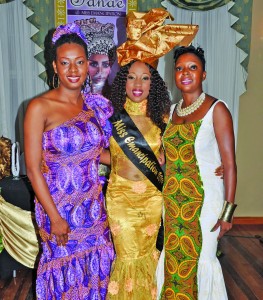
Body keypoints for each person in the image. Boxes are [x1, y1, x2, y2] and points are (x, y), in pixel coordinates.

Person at [101, 8, 199, 300]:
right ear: (123, 81)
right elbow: (101, 154)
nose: (138, 85)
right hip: (119, 197)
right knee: (127, 255)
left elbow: (177, 156)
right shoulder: (110, 116)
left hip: (152, 199)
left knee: (147, 254)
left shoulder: (164, 117)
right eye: (131, 78)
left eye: (145, 78)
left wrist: (209, 167)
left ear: (153, 83)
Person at [24, 23, 115, 299]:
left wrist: (143, 160)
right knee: (64, 277)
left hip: (93, 208)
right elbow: (32, 168)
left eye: (79, 62)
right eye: (65, 63)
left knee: (96, 272)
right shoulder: (39, 107)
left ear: (88, 65)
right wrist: (55, 217)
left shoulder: (93, 106)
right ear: (54, 66)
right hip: (59, 209)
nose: (73, 70)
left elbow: (99, 154)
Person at [159, 45, 237, 299]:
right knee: (173, 258)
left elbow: (230, 164)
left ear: (203, 74)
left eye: (193, 67)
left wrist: (227, 214)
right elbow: (162, 156)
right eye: (179, 68)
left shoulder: (218, 109)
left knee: (202, 258)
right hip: (171, 202)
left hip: (204, 203)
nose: (185, 73)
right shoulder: (170, 113)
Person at [76, 18, 117, 97]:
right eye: (94, 64)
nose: (99, 71)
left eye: (105, 65)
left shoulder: (118, 99)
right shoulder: (77, 98)